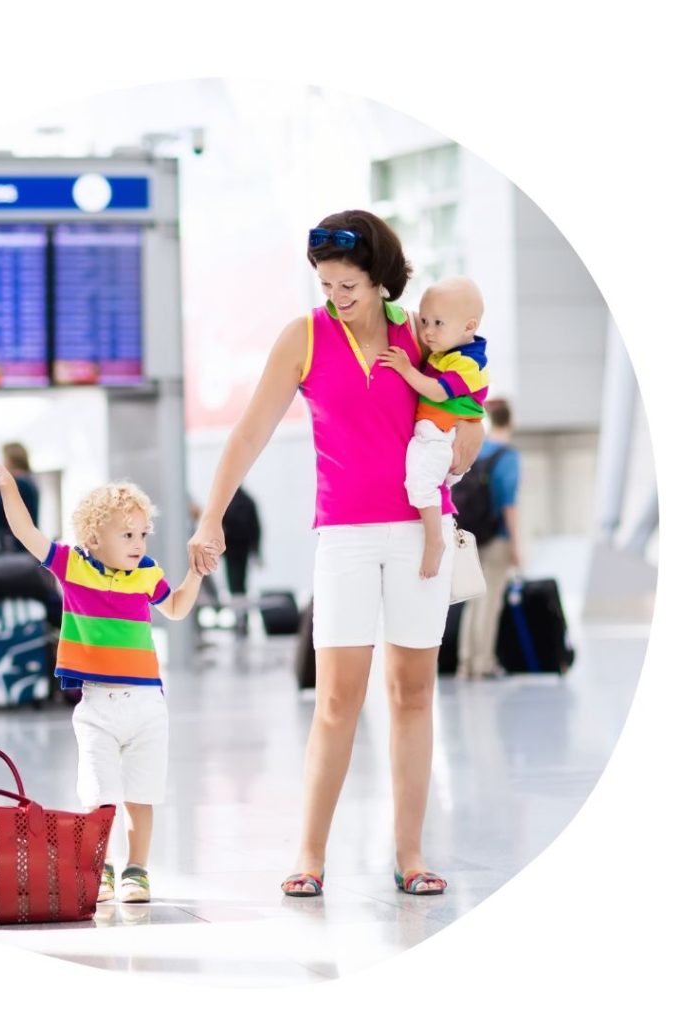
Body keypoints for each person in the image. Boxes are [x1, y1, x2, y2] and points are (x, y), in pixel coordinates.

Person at [187, 210, 484, 898]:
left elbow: (468, 399)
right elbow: (249, 432)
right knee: (336, 700)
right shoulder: (306, 337)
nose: (337, 298)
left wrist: (472, 428)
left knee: (413, 694)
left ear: (381, 279)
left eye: (348, 284)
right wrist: (210, 517)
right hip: (345, 537)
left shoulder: (422, 332)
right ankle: (309, 855)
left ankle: (410, 854)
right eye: (326, 285)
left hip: (421, 534)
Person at [0, 468, 204, 904]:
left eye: (143, 534)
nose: (139, 544)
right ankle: (99, 867)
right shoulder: (71, 565)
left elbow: (178, 608)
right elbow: (27, 532)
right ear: (94, 537)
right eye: (127, 535)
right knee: (98, 794)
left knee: (141, 796)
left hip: (146, 706)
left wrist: (196, 573)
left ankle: (137, 870)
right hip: (97, 706)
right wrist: (9, 488)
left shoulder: (147, 574)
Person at [378, 276, 490, 579]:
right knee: (429, 484)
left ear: (469, 327)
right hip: (440, 437)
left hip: (440, 437)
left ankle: (434, 541)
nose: (427, 331)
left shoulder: (469, 363)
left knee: (420, 486)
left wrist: (405, 369)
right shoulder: (449, 352)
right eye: (424, 320)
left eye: (438, 323)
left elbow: (439, 391)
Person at [457, 398, 522, 680]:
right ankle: (484, 662)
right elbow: (509, 504)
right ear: (510, 421)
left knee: (472, 598)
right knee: (490, 600)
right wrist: (516, 545)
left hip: (470, 534)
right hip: (496, 536)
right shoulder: (507, 456)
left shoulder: (478, 449)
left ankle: (466, 663)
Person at [221, 484, 262, 635]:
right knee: (240, 586)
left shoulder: (228, 502)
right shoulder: (248, 501)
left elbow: (220, 527)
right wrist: (257, 552)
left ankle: (240, 618)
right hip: (240, 550)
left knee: (235, 586)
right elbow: (256, 529)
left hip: (232, 550)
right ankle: (241, 618)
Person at [0, 442, 40, 554]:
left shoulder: (17, 483)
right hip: (23, 547)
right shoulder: (30, 481)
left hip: (11, 548)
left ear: (10, 460)